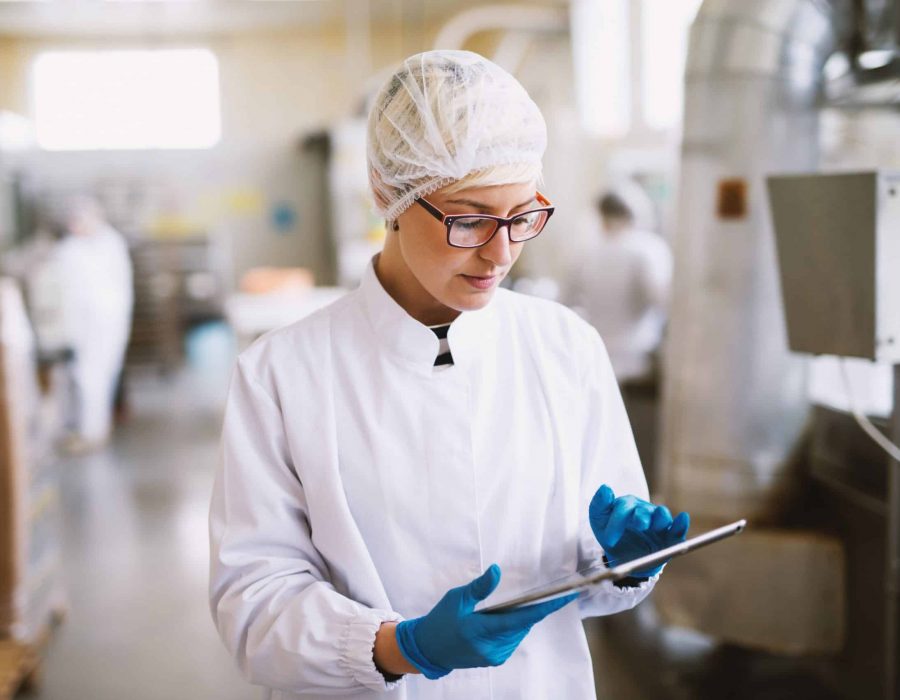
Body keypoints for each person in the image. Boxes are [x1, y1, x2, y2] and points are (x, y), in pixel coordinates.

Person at [209, 50, 689, 700]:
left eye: (522, 216)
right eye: (470, 220)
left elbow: (592, 587)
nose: (501, 251)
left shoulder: (564, 348)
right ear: (388, 194)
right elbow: (254, 606)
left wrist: (622, 562)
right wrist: (397, 647)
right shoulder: (282, 375)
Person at [566, 186, 673, 384]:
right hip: (638, 359)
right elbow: (663, 302)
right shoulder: (648, 249)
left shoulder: (589, 251)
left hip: (596, 355)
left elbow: (564, 302)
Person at [54, 197, 133, 452]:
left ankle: (92, 432)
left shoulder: (110, 244)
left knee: (95, 377)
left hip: (105, 324)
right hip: (83, 325)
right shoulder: (70, 249)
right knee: (84, 378)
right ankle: (89, 429)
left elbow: (116, 291)